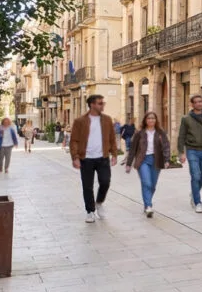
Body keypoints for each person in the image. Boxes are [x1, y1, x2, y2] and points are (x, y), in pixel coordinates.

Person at [69, 95, 119, 223]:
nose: (102, 105)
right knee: (87, 186)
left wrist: (114, 154)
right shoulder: (80, 121)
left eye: (103, 103)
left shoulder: (107, 120)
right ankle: (90, 211)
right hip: (86, 159)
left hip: (103, 157)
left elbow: (112, 138)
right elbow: (74, 140)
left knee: (105, 182)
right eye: (100, 103)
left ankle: (99, 202)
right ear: (92, 105)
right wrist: (75, 157)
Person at [124, 111, 170, 218]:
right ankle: (149, 206)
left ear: (156, 120)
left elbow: (166, 146)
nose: (151, 120)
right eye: (149, 118)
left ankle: (146, 204)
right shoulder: (139, 133)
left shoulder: (160, 132)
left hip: (156, 160)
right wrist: (129, 163)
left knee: (153, 185)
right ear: (145, 120)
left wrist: (167, 160)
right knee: (146, 183)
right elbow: (133, 149)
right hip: (143, 160)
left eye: (153, 118)